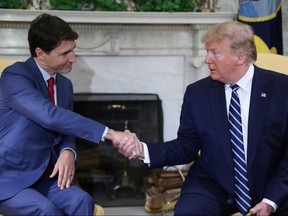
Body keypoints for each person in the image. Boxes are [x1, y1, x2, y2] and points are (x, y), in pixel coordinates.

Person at [116, 21, 288, 215]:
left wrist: (270, 201)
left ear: (240, 57)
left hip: (272, 183)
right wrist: (142, 149)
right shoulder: (197, 93)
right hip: (213, 184)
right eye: (207, 52)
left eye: (215, 52)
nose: (207, 59)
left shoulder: (282, 89)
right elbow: (186, 146)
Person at [0, 13, 139, 215]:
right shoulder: (14, 77)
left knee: (82, 200)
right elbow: (50, 116)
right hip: (10, 179)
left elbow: (66, 128)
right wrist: (111, 133)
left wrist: (68, 152)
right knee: (45, 210)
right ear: (40, 53)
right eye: (65, 54)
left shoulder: (64, 85)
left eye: (73, 50)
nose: (73, 59)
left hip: (46, 176)